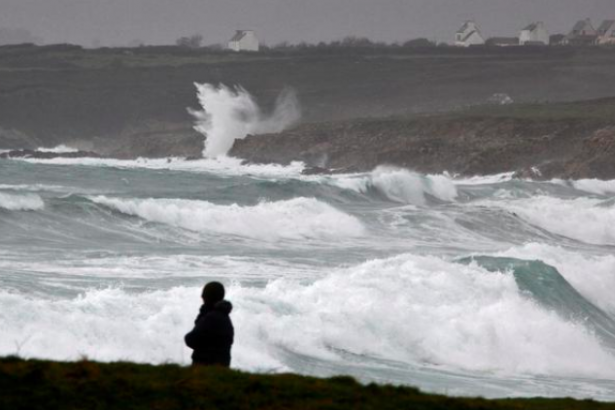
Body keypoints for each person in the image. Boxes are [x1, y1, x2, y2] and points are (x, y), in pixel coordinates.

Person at [184, 281, 234, 367]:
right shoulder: (224, 316)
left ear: (209, 297)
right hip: (221, 366)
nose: (202, 296)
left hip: (206, 367)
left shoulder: (211, 317)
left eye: (204, 294)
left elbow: (190, 339)